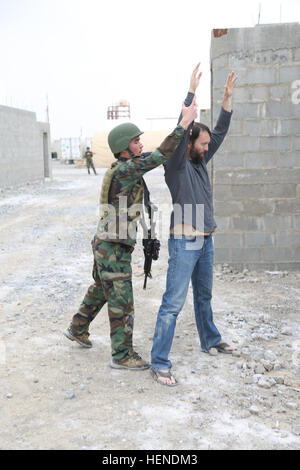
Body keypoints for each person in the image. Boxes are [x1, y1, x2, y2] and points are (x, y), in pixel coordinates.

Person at [63, 92, 198, 371]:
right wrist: (183, 124)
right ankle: (122, 355)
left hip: (107, 244)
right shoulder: (126, 171)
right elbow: (161, 155)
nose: (140, 144)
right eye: (136, 141)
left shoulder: (125, 168)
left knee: (102, 289)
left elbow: (156, 155)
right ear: (125, 147)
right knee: (122, 301)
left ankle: (78, 328)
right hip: (112, 248)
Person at [150, 64, 238, 386]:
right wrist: (189, 95)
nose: (207, 147)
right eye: (201, 143)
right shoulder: (177, 165)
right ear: (189, 143)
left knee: (204, 296)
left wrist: (227, 100)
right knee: (173, 304)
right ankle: (159, 361)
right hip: (185, 241)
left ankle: (210, 340)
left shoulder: (200, 161)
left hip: (206, 240)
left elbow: (219, 133)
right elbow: (180, 132)